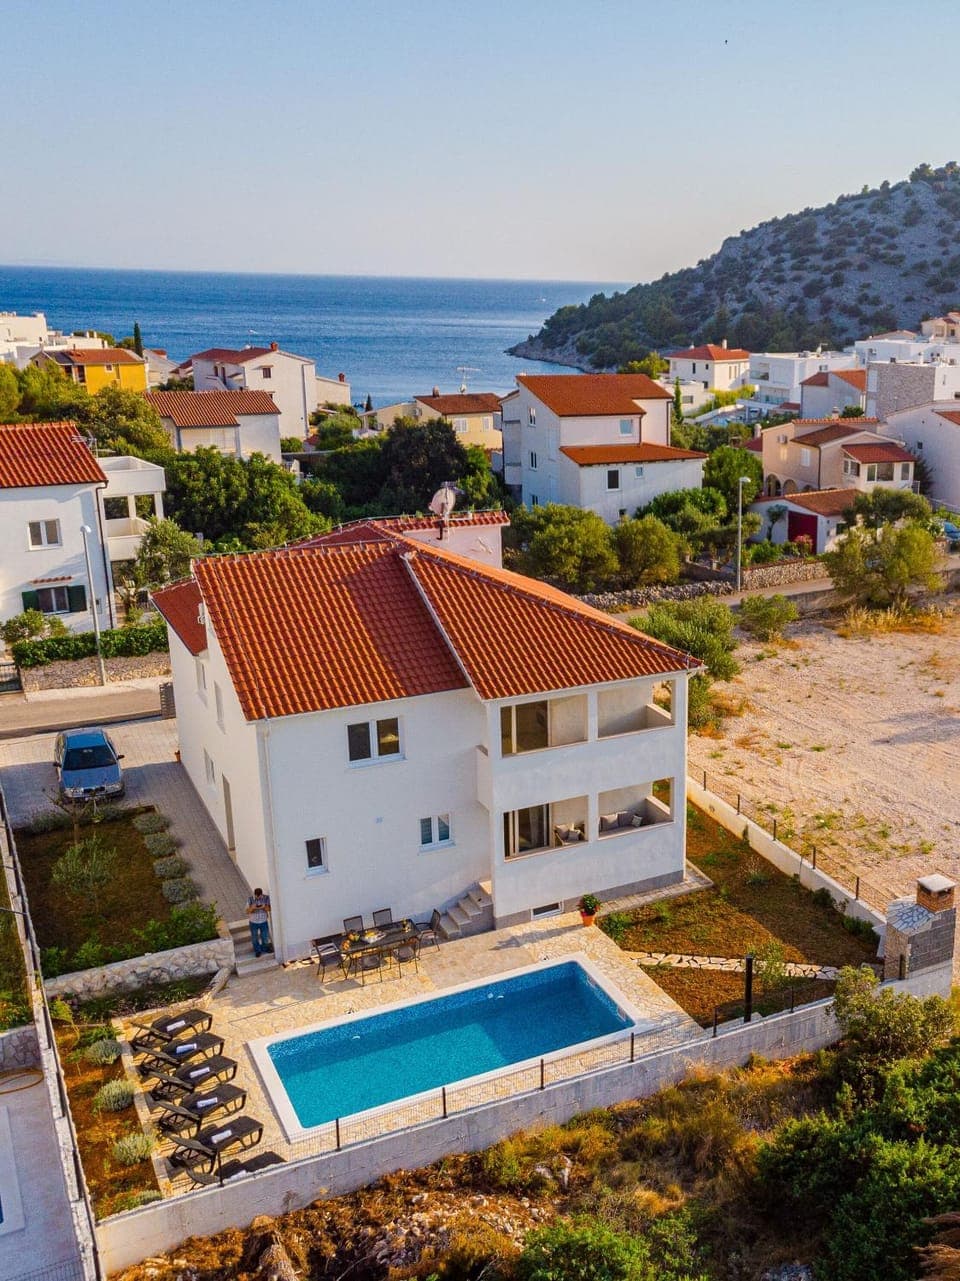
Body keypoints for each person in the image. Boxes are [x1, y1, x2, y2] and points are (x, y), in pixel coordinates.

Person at [246, 887, 272, 957]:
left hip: (263, 921)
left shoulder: (266, 898)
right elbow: (247, 911)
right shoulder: (250, 899)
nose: (258, 897)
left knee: (265, 936)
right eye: (256, 896)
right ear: (254, 894)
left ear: (261, 894)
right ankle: (257, 951)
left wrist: (263, 907)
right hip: (253, 922)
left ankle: (265, 948)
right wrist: (253, 908)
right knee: (254, 938)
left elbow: (269, 909)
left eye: (259, 896)